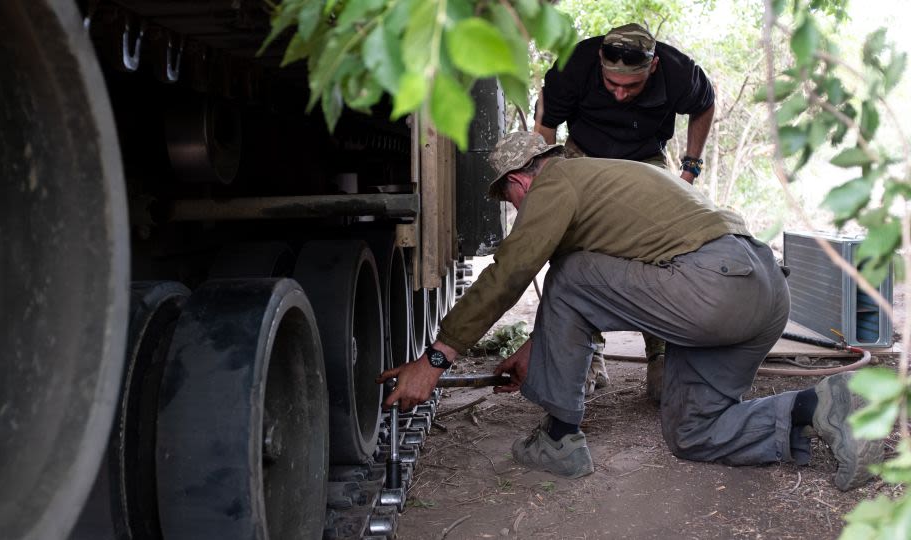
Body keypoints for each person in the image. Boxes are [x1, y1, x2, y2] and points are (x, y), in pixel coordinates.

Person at [377, 131, 883, 490]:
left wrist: (436, 358)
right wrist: (542, 346)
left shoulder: (558, 181)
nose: (515, 210)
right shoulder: (614, 182)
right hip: (762, 292)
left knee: (568, 271)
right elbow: (610, 288)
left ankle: (558, 438)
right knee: (692, 433)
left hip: (712, 288)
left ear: (520, 181)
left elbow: (510, 272)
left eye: (509, 200)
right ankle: (820, 407)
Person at [534, 23, 717, 400]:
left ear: (652, 68)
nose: (619, 95)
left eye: (630, 87)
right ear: (600, 61)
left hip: (645, 160)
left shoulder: (678, 71)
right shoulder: (574, 66)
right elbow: (546, 126)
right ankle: (587, 356)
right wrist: (551, 185)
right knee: (574, 252)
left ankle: (662, 355)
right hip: (583, 155)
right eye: (611, 83)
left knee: (660, 253)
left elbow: (705, 104)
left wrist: (690, 169)